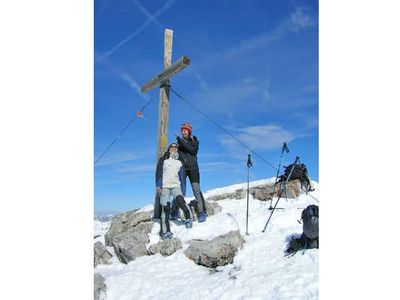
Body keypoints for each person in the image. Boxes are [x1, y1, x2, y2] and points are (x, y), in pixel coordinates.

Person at [155, 142, 193, 240]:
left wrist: (183, 190)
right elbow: (158, 173)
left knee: (181, 201)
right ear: (169, 148)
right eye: (172, 147)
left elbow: (182, 177)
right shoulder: (163, 160)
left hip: (176, 185)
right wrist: (159, 186)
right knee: (166, 208)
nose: (174, 148)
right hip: (165, 186)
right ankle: (166, 231)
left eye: (176, 147)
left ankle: (188, 218)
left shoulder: (179, 162)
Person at [175, 122, 208, 222]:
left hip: (193, 169)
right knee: (180, 190)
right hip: (183, 170)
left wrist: (179, 140)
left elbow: (192, 150)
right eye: (182, 131)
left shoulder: (194, 140)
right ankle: (175, 211)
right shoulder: (179, 144)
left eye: (185, 130)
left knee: (196, 189)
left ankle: (202, 212)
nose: (183, 132)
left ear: (189, 131)